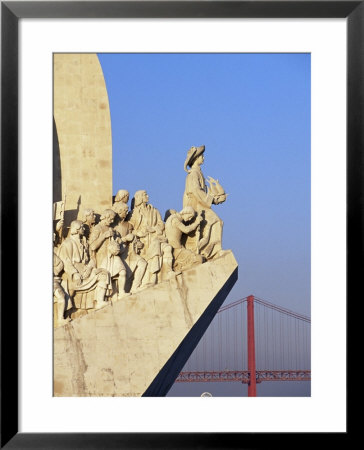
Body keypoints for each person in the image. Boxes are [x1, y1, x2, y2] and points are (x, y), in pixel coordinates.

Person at [183, 145, 226, 259]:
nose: (203, 158)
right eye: (201, 156)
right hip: (196, 206)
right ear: (196, 158)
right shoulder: (193, 174)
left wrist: (215, 199)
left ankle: (211, 251)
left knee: (216, 223)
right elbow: (196, 191)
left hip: (201, 204)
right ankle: (210, 252)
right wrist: (212, 200)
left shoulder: (198, 173)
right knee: (217, 221)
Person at [58, 220, 110, 310]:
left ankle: (99, 301)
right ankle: (66, 310)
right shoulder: (67, 243)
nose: (84, 228)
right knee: (70, 288)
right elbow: (66, 261)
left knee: (103, 274)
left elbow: (92, 258)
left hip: (86, 269)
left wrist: (89, 268)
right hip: (74, 271)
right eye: (82, 227)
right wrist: (75, 274)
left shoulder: (85, 242)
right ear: (76, 229)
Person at [129, 190, 174, 284]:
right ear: (140, 197)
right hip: (142, 241)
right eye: (145, 195)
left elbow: (161, 224)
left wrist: (153, 229)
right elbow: (129, 229)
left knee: (166, 248)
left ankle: (166, 272)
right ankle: (150, 278)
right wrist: (139, 233)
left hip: (154, 238)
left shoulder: (154, 210)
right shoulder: (133, 213)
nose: (148, 196)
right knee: (155, 248)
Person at [89, 209, 128, 298]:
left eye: (113, 219)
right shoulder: (97, 228)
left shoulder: (111, 229)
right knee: (105, 278)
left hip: (113, 255)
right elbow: (92, 246)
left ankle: (121, 292)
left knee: (122, 271)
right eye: (110, 219)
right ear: (105, 217)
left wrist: (118, 240)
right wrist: (103, 236)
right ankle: (103, 298)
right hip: (102, 257)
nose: (112, 221)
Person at [165, 206, 204, 272]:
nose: (189, 219)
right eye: (190, 217)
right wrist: (197, 222)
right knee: (199, 259)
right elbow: (186, 230)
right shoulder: (175, 220)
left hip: (178, 248)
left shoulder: (174, 218)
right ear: (186, 213)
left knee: (199, 259)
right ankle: (181, 271)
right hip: (176, 249)